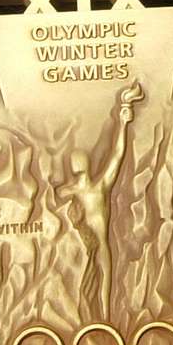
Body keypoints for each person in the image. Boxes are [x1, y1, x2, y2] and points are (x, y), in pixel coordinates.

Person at [54, 83, 143, 320]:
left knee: (103, 286)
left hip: (99, 245)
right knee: (98, 284)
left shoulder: (89, 188)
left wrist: (123, 123)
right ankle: (100, 319)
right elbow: (116, 155)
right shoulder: (93, 187)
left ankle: (103, 320)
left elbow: (117, 155)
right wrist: (123, 124)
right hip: (91, 245)